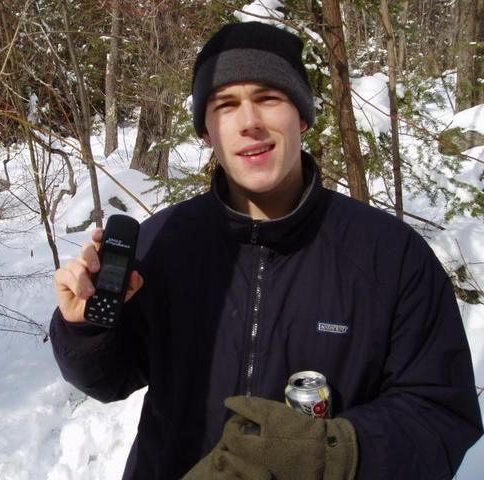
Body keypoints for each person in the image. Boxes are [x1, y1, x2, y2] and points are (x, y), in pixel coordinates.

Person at [50, 21, 483, 479]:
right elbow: (109, 380)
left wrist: (334, 453)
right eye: (226, 105)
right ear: (207, 133)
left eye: (268, 98)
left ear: (302, 116)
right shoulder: (164, 241)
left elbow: (439, 411)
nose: (249, 122)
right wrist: (85, 332)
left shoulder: (388, 255)